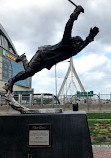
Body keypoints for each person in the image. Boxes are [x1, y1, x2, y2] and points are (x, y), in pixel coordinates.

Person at [4, 6, 99, 93]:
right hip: (43, 54)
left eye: (79, 45)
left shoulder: (74, 51)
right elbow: (68, 26)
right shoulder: (66, 42)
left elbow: (84, 45)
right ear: (73, 42)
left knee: (29, 72)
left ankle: (23, 58)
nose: (79, 46)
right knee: (29, 72)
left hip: (46, 62)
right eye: (78, 43)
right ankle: (11, 82)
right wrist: (75, 13)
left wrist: (90, 37)